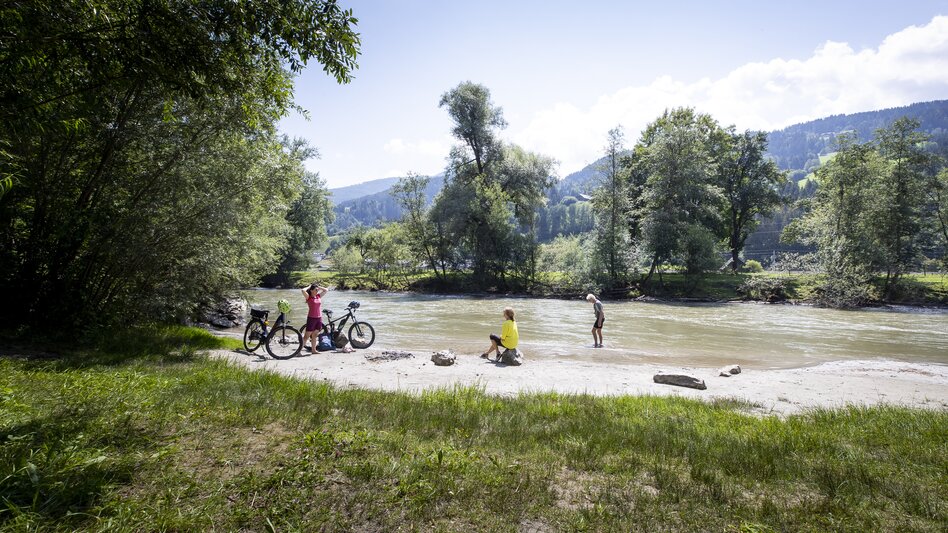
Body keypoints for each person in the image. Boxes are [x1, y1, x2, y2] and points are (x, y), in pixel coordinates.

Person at [301, 282, 329, 352]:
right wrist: (309, 286)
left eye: (318, 290)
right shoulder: (308, 297)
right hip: (311, 318)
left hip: (319, 318)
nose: (317, 291)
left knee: (315, 335)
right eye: (316, 290)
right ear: (311, 290)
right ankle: (299, 351)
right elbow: (302, 290)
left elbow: (326, 290)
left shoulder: (318, 296)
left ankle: (314, 350)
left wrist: (319, 287)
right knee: (306, 336)